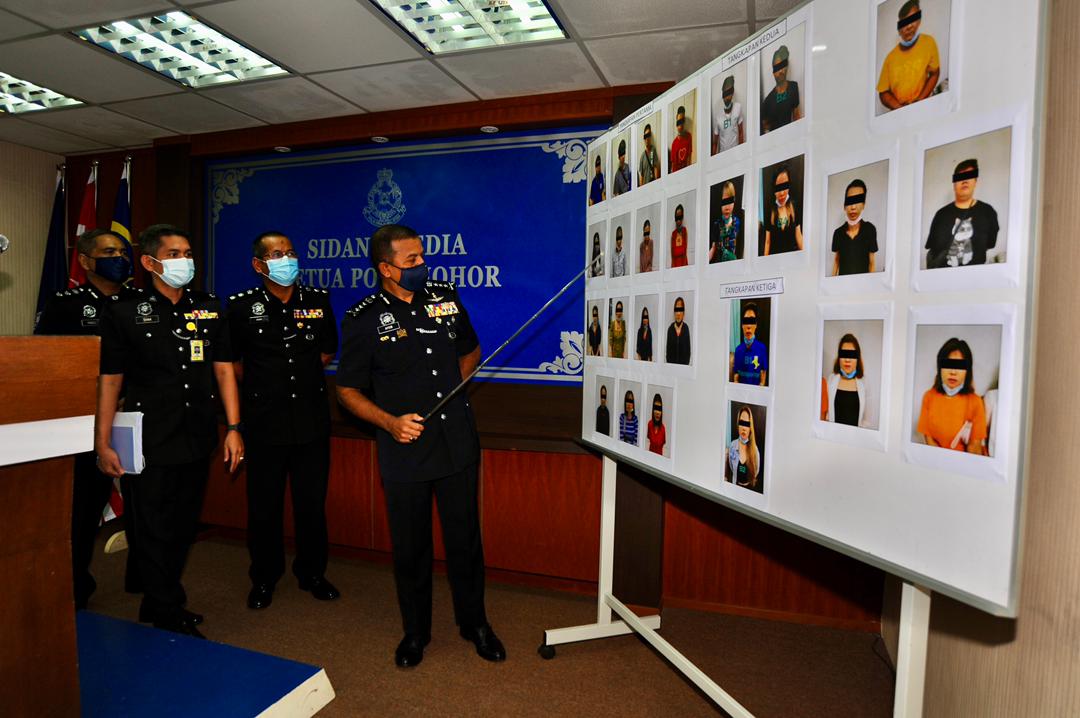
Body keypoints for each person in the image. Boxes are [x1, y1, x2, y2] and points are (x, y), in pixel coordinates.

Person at [335, 224, 505, 668]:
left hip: (457, 444)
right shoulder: (363, 318)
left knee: (465, 541)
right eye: (411, 261)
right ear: (386, 269)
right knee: (411, 548)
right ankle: (416, 633)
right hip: (405, 450)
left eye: (423, 257)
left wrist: (458, 391)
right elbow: (347, 390)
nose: (422, 266)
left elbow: (471, 350)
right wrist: (390, 423)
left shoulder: (444, 296)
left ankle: (476, 624)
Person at [95, 224, 244, 638]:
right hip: (147, 437)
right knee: (153, 525)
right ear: (149, 262)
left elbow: (224, 371)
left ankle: (158, 599)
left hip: (197, 434)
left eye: (188, 253)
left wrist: (233, 427)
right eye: (174, 254)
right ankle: (165, 607)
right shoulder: (125, 309)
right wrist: (101, 440)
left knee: (182, 524)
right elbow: (110, 379)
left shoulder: (210, 306)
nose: (184, 261)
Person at [227, 232, 340, 611]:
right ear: (259, 265)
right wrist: (269, 383)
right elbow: (234, 365)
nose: (286, 259)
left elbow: (325, 353)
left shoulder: (318, 301)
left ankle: (312, 573)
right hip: (264, 422)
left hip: (311, 420)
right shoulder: (241, 307)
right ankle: (264, 578)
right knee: (264, 506)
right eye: (277, 254)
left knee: (311, 503)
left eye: (290, 252)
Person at [35, 228, 144, 609]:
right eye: (109, 251)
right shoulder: (65, 303)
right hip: (87, 420)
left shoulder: (141, 300)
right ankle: (75, 583)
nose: (120, 258)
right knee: (84, 507)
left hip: (137, 417)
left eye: (123, 251)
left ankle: (142, 576)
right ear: (84, 261)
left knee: (144, 501)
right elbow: (47, 363)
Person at [916, 337, 988, 454]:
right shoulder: (929, 397)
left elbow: (974, 450)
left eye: (959, 366)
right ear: (940, 368)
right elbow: (928, 438)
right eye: (948, 364)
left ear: (967, 371)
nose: (953, 372)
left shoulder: (975, 402)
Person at [925, 158, 1000, 268]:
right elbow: (932, 251)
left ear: (975, 181)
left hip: (975, 280)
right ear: (954, 183)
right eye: (960, 177)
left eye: (969, 176)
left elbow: (990, 244)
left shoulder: (988, 212)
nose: (964, 180)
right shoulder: (941, 214)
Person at [877, 0, 941, 111]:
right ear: (899, 29)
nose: (909, 26)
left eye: (913, 19)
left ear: (919, 20)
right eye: (904, 23)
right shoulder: (890, 58)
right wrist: (902, 110)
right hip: (900, 114)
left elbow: (935, 73)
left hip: (924, 108)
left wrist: (919, 102)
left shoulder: (928, 43)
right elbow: (883, 93)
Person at [831, 179, 879, 276]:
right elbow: (836, 261)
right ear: (844, 206)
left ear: (863, 205)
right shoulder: (838, 233)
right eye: (850, 201)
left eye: (857, 201)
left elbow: (872, 263)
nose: (853, 207)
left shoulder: (870, 230)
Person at [825, 333, 868, 427]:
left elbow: (866, 420)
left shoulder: (864, 383)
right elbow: (827, 415)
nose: (847, 360)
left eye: (851, 355)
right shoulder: (831, 380)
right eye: (844, 354)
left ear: (857, 358)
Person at [760, 45, 802, 134]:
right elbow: (764, 126)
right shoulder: (768, 100)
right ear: (773, 72)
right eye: (777, 68)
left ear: (787, 67)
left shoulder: (793, 87)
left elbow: (797, 116)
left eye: (783, 66)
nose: (780, 72)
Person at [763, 165, 803, 255]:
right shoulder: (769, 210)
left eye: (784, 186)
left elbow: (799, 235)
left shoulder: (795, 206)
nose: (782, 193)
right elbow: (767, 242)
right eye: (778, 188)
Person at [731, 302, 768, 386]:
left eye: (751, 321)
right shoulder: (738, 350)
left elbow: (763, 372)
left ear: (756, 325)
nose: (748, 326)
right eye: (746, 321)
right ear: (742, 326)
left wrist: (760, 389)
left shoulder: (762, 348)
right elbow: (736, 374)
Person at [726, 406, 761, 491]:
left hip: (750, 489)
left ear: (750, 428)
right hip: (735, 486)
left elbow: (756, 472)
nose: (744, 428)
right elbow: (731, 466)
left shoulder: (755, 451)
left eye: (747, 424)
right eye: (741, 423)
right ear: (738, 425)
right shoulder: (732, 446)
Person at [710, 181, 742, 263]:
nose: (727, 207)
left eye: (730, 202)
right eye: (724, 202)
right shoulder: (717, 224)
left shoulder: (738, 222)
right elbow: (713, 248)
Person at [712, 75, 744, 154]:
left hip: (736, 153)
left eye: (729, 93)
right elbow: (715, 142)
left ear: (732, 93)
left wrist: (742, 153)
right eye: (725, 95)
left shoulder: (738, 107)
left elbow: (741, 133)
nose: (726, 98)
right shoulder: (718, 117)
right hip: (723, 156)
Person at [666, 296, 691, 365]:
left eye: (680, 310)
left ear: (683, 313)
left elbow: (688, 352)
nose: (678, 313)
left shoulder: (686, 328)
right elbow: (668, 353)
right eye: (677, 310)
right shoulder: (670, 329)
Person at [669, 105, 693, 172]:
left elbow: (689, 157)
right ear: (676, 118)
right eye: (679, 122)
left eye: (682, 121)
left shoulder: (689, 136)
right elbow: (673, 166)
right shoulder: (674, 143)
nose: (680, 126)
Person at [670, 204, 689, 268]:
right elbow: (672, 251)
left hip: (682, 261)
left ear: (682, 218)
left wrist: (684, 265)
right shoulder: (673, 233)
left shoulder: (684, 230)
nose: (678, 221)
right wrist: (673, 265)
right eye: (677, 218)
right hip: (675, 262)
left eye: (680, 218)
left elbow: (685, 248)